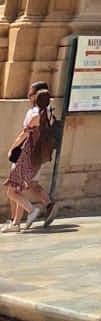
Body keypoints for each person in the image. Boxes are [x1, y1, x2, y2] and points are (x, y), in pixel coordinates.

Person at [4, 83, 58, 231]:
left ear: (35, 96)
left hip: (27, 154)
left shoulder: (34, 115)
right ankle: (17, 222)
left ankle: (30, 211)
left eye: (31, 93)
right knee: (20, 187)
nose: (29, 95)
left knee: (12, 189)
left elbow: (24, 134)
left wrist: (13, 148)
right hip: (38, 155)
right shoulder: (48, 113)